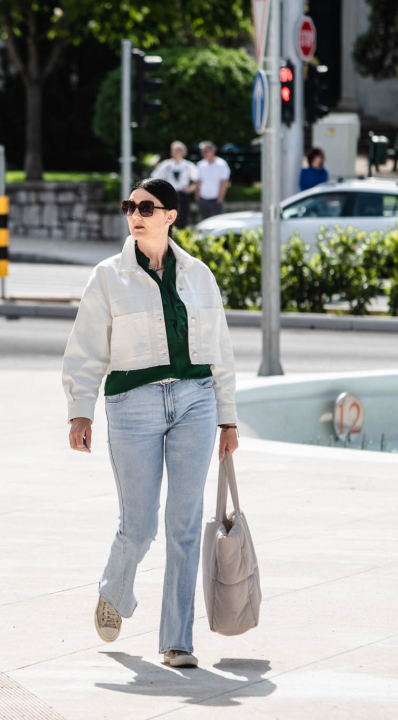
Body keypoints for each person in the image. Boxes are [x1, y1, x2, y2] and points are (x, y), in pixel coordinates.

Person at [62, 177, 239, 669]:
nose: (135, 214)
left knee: (183, 525)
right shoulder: (107, 276)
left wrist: (228, 418)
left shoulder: (199, 275)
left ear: (170, 216)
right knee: (138, 528)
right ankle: (114, 589)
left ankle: (177, 640)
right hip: (132, 405)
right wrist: (81, 409)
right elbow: (86, 348)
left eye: (146, 207)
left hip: (195, 402)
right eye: (130, 206)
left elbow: (221, 350)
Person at [151, 141, 198, 228]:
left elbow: (197, 180)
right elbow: (155, 178)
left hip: (182, 194)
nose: (175, 153)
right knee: (169, 218)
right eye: (173, 150)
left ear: (182, 152)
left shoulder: (188, 165)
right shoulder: (166, 165)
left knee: (183, 217)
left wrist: (191, 188)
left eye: (177, 151)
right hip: (170, 194)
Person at [194, 141, 230, 220]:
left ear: (212, 151)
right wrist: (197, 196)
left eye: (205, 151)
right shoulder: (200, 164)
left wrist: (220, 197)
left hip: (216, 200)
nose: (203, 154)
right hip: (203, 199)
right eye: (202, 152)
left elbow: (224, 183)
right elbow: (198, 181)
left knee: (217, 222)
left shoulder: (221, 164)